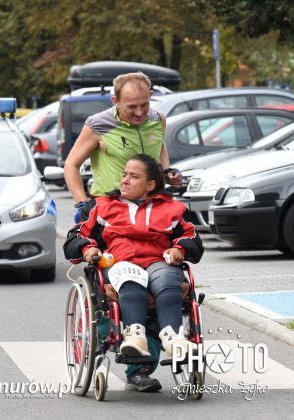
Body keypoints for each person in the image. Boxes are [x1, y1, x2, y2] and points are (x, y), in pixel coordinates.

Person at [63, 154, 203, 392]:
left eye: (134, 176)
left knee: (169, 279)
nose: (125, 180)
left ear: (150, 185)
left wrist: (179, 248)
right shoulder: (102, 206)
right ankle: (134, 337)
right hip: (120, 263)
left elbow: (192, 239)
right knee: (131, 278)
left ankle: (174, 339)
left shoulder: (173, 208)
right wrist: (88, 248)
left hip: (158, 262)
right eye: (124, 175)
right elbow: (76, 237)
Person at [64, 72, 181, 218]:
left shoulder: (158, 119)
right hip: (111, 208)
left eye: (144, 104)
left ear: (150, 95)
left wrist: (167, 173)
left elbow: (160, 147)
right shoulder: (98, 125)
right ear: (116, 101)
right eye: (132, 107)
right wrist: (83, 204)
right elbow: (71, 164)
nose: (139, 112)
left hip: (151, 207)